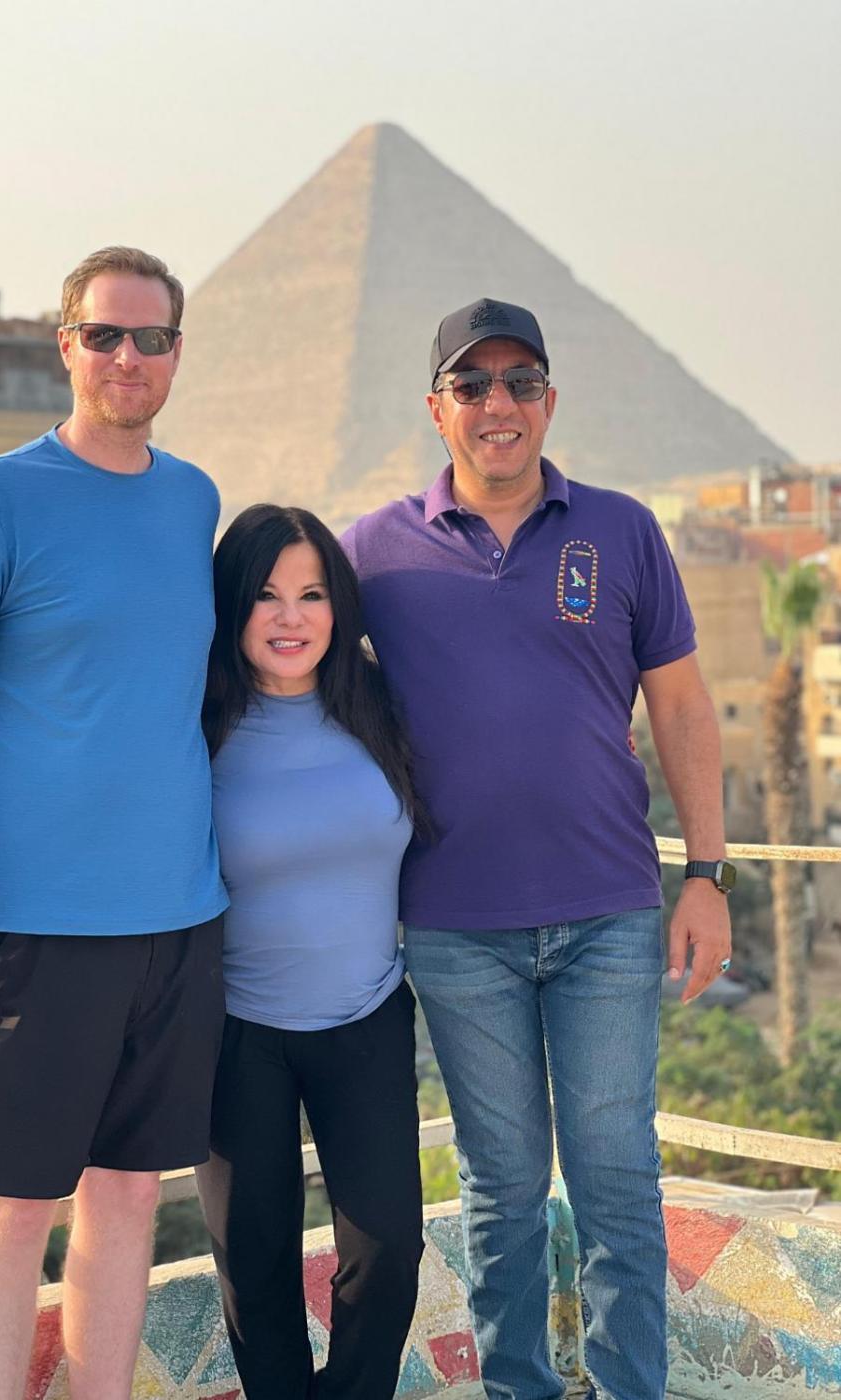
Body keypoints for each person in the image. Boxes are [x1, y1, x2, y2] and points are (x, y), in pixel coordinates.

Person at [340, 298, 733, 1400]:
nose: (498, 404)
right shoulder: (372, 552)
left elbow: (682, 708)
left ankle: (630, 1387)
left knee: (617, 1181)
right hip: (455, 927)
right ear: (437, 410)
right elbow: (271, 678)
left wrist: (706, 875)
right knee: (502, 1190)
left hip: (609, 912)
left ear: (550, 399)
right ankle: (517, 1387)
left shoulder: (623, 530)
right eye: (471, 385)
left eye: (520, 381)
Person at [0, 246, 227, 1400]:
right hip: (34, 926)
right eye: (105, 334)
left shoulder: (193, 498)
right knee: (14, 1208)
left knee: (128, 1194)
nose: (129, 356)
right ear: (65, 343)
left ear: (176, 351)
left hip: (180, 919)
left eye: (152, 337)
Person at [196, 503, 426, 1400]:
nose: (290, 618)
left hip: (367, 1019)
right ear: (232, 606)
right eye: (266, 595)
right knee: (254, 1266)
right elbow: (98, 805)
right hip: (236, 1034)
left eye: (313, 594)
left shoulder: (381, 704)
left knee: (388, 1250)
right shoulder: (194, 725)